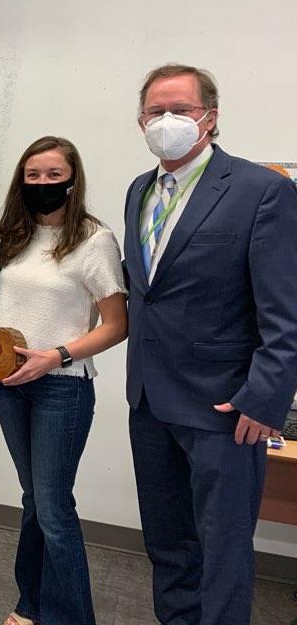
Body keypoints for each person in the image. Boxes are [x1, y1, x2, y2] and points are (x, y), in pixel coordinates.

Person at [124, 64, 297, 625]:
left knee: (223, 550)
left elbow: (285, 309)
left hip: (225, 406)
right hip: (149, 401)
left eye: (181, 109)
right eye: (156, 111)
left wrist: (265, 398)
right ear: (141, 121)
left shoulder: (261, 189)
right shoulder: (139, 190)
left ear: (210, 118)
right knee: (169, 543)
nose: (167, 120)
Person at [0, 136, 127, 625]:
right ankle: (31, 605)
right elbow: (14, 305)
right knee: (33, 501)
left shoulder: (93, 239)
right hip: (11, 386)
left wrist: (56, 355)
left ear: (72, 180)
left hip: (63, 386)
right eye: (33, 175)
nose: (43, 183)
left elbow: (116, 324)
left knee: (55, 509)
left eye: (53, 175)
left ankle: (71, 617)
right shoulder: (14, 235)